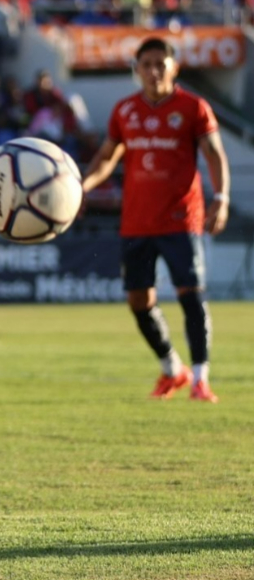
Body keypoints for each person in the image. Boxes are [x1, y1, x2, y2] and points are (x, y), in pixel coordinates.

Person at [82, 38, 230, 403]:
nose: (153, 71)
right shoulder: (124, 111)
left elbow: (215, 154)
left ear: (174, 67)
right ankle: (171, 368)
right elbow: (106, 157)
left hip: (182, 217)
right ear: (137, 69)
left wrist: (222, 199)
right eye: (146, 64)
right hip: (137, 221)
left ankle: (200, 378)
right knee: (138, 300)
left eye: (160, 63)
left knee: (190, 295)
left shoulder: (193, 107)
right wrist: (80, 186)